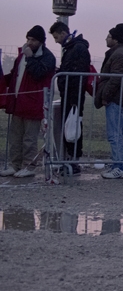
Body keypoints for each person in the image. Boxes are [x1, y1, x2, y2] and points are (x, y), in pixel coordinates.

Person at [1, 26, 56, 178]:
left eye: (33, 40)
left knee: (29, 138)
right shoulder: (21, 56)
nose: (29, 42)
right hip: (18, 102)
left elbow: (39, 74)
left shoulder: (47, 57)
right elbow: (14, 75)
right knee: (15, 137)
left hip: (34, 103)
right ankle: (15, 165)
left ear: (41, 41)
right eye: (28, 39)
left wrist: (30, 57)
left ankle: (29, 166)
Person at [49, 21, 91, 174]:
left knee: (73, 127)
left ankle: (73, 161)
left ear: (62, 33)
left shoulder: (77, 48)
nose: (56, 41)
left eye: (56, 37)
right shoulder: (72, 48)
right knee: (70, 126)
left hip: (74, 96)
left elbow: (78, 73)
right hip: (69, 94)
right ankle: (70, 160)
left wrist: (65, 81)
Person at [94, 23, 123, 180]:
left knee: (115, 134)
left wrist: (105, 95)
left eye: (108, 36)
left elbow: (115, 79)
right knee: (117, 133)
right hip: (119, 98)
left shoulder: (119, 54)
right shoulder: (122, 53)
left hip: (116, 99)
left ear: (115, 39)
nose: (106, 39)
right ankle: (118, 165)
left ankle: (119, 167)